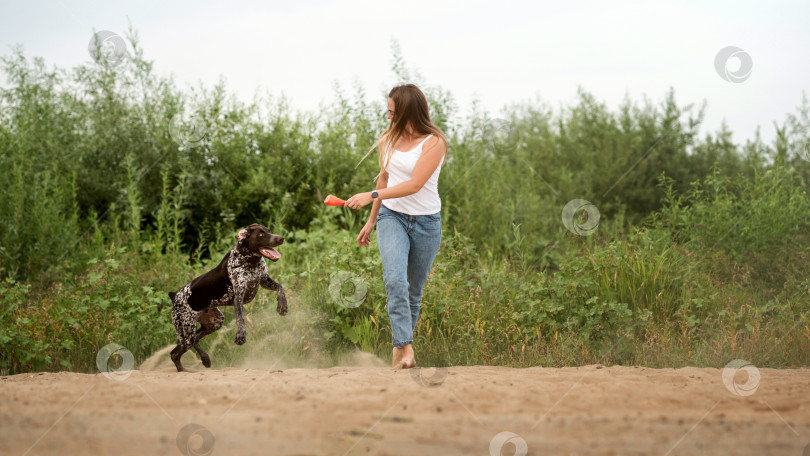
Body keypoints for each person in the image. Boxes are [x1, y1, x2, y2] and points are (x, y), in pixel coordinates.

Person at [345, 83, 448, 369]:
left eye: (392, 112)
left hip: (427, 222)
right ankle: (406, 348)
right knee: (395, 281)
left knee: (413, 291)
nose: (388, 117)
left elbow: (415, 185)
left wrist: (371, 197)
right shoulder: (387, 139)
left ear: (406, 112)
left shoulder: (434, 142)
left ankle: (398, 351)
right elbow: (384, 179)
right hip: (392, 216)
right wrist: (371, 219)